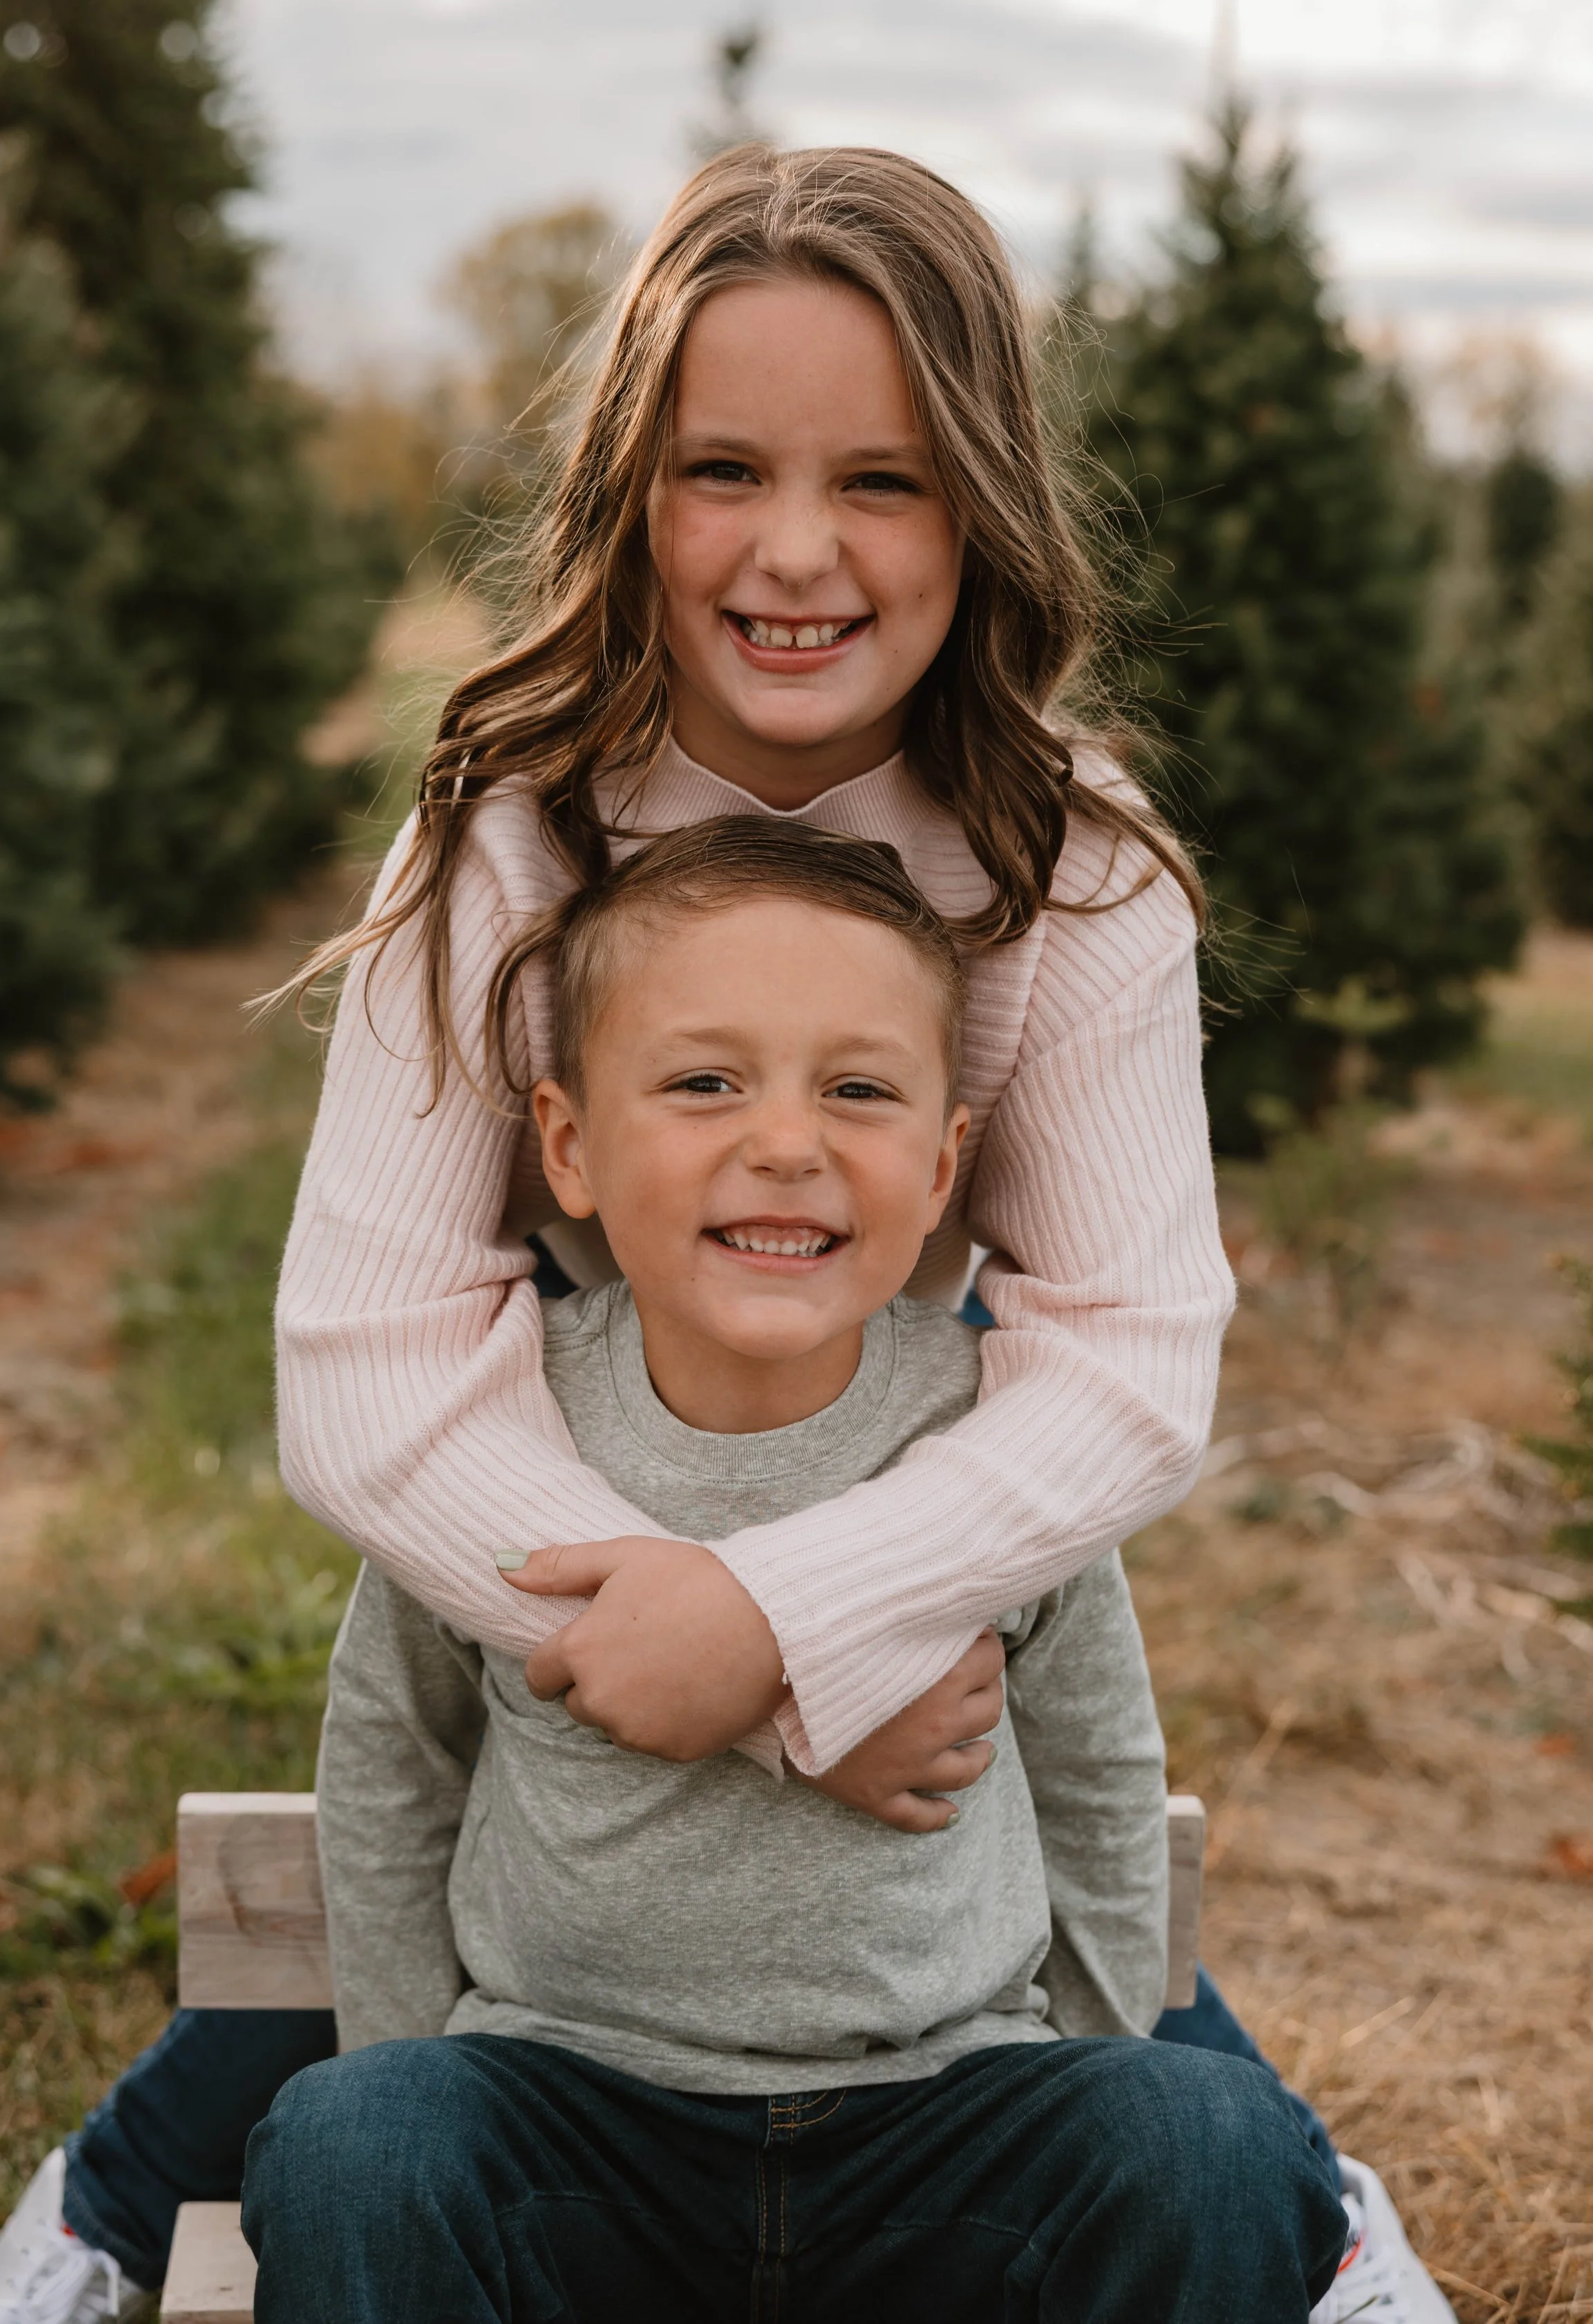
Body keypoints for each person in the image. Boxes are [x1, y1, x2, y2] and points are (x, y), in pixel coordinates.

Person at [0, 147, 1448, 2324]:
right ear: (631, 494)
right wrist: (717, 1671)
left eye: (889, 481)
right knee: (449, 1931)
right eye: (721, 467)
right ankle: (106, 2203)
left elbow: (1124, 1360)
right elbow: (364, 1368)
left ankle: (1297, 2182)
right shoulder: (502, 834)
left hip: (897, 1524)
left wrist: (799, 1619)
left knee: (1046, 1985)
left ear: (987, 510)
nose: (798, 549)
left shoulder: (1075, 869)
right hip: (560, 1518)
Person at [246, 815, 1348, 2321]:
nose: (785, 1142)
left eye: (858, 1090)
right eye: (703, 1082)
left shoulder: (995, 1445)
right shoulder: (496, 1427)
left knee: (1216, 2141)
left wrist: (1087, 2076)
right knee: (348, 2144)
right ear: (565, 1144)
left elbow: (1094, 1781)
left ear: (947, 1156)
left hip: (936, 2130)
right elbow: (396, 1765)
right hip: (578, 2122)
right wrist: (406, 2068)